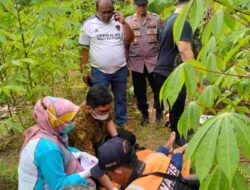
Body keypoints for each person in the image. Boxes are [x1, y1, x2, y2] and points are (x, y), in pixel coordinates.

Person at [79, 0, 134, 128]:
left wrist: (124, 23)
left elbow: (130, 39)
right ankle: (100, 124)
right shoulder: (88, 24)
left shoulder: (119, 22)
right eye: (104, 12)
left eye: (110, 11)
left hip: (120, 68)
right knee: (99, 99)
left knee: (121, 97)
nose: (107, 15)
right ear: (97, 10)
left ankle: (121, 122)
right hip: (99, 70)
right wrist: (84, 69)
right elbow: (83, 49)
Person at [18, 96, 93, 190]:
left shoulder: (44, 131)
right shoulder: (48, 149)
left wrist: (80, 153)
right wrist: (87, 173)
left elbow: (61, 148)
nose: (72, 123)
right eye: (69, 121)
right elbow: (59, 186)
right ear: (55, 121)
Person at [90, 132, 197, 190]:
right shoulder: (155, 158)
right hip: (177, 179)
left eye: (107, 173)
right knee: (164, 158)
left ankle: (174, 148)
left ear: (118, 172)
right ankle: (175, 149)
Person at [153, 0, 195, 145]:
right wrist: (196, 74)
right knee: (177, 106)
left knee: (176, 105)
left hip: (161, 70)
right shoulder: (183, 22)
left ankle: (180, 129)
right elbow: (184, 49)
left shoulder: (170, 20)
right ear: (191, 5)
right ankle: (178, 137)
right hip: (170, 71)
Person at [68, 86, 136, 157]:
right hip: (93, 146)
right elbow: (88, 153)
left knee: (129, 138)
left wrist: (116, 140)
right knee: (109, 156)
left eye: (108, 109)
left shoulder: (104, 105)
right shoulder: (79, 124)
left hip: (104, 135)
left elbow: (109, 120)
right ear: (89, 108)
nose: (106, 113)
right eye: (102, 111)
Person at [126, 0, 163, 125]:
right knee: (139, 91)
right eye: (139, 5)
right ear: (134, 5)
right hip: (136, 63)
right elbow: (125, 44)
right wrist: (126, 63)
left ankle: (159, 111)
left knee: (158, 88)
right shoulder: (128, 21)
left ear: (147, 5)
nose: (141, 8)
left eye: (143, 5)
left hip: (154, 61)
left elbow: (161, 41)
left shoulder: (156, 19)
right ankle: (145, 114)